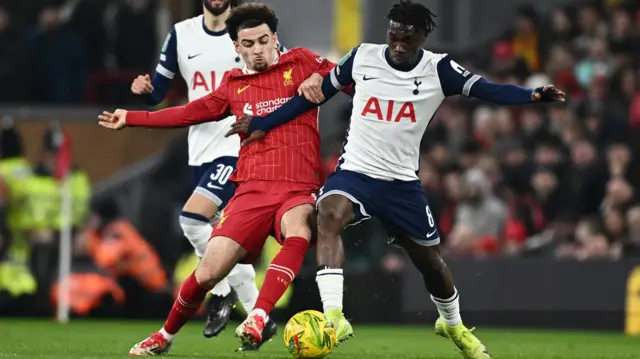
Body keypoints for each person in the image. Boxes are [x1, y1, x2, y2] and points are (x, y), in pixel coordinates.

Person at [228, 1, 566, 358]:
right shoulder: (362, 58)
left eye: (407, 38)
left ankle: (453, 325)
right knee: (326, 212)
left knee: (430, 263)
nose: (399, 44)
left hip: (401, 184)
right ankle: (335, 317)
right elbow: (314, 97)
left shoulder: (440, 69)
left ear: (422, 36)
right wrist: (263, 123)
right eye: (393, 36)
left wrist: (531, 95)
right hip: (356, 172)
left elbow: (488, 89)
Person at [98, 2, 339, 355]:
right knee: (208, 272)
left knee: (299, 228)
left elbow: (349, 75)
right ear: (236, 47)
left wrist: (323, 76)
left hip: (297, 187)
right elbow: (186, 114)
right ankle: (165, 336)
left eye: (263, 41)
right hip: (251, 191)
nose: (257, 50)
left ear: (275, 39)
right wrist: (131, 117)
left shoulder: (302, 61)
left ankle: (258, 315)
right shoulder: (233, 86)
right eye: (248, 44)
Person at [129, 0, 283, 345]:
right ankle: (256, 312)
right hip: (199, 149)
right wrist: (144, 92)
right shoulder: (181, 34)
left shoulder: (248, 33)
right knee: (220, 235)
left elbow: (282, 72)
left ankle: (224, 291)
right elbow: (158, 90)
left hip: (240, 145)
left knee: (193, 219)